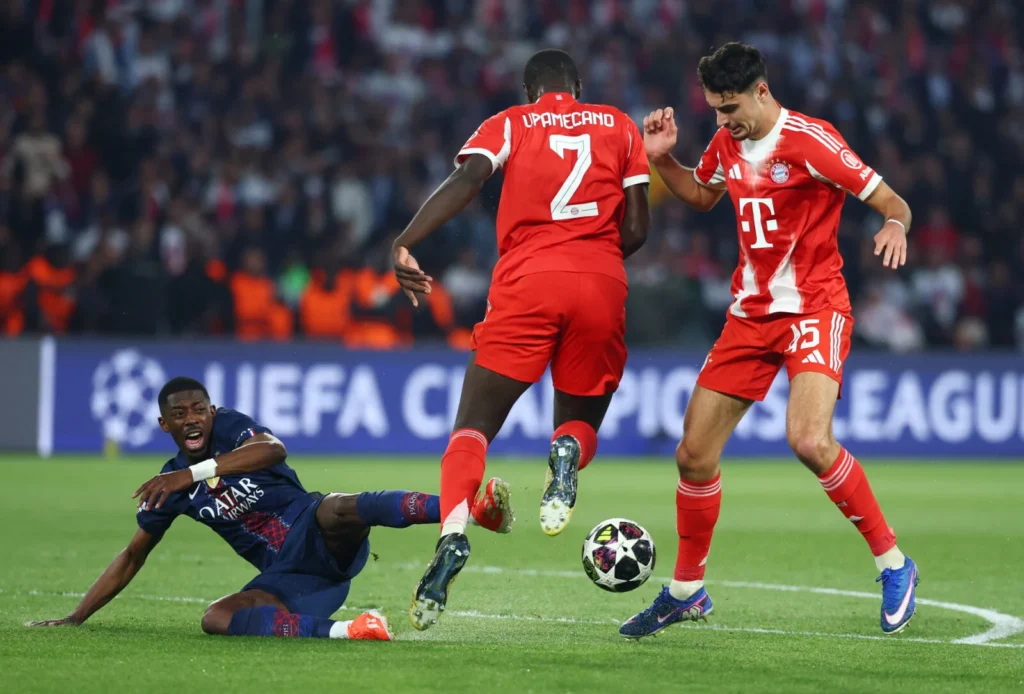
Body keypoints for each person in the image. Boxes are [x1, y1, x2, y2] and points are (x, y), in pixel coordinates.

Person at [620, 43, 918, 639]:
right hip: (750, 317)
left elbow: (893, 201)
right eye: (714, 108)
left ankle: (894, 564)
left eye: (730, 107)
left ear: (762, 91)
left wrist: (893, 224)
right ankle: (686, 591)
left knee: (808, 440)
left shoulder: (812, 140)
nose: (723, 120)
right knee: (693, 455)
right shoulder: (726, 141)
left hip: (814, 308)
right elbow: (702, 194)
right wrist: (662, 160)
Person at [392, 48, 650, 630]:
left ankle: (453, 534)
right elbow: (637, 227)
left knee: (471, 428)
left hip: (527, 280)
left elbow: (468, 178)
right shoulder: (619, 124)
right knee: (578, 421)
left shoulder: (512, 121)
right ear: (577, 85)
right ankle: (565, 453)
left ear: (529, 89)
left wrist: (406, 240)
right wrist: (593, 259)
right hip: (601, 280)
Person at [27, 377, 512, 640]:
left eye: (198, 410)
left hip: (316, 529)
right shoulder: (168, 486)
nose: (192, 420)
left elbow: (274, 449)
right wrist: (77, 616)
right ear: (164, 425)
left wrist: (191, 474)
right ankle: (352, 630)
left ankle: (469, 510)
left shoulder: (227, 431)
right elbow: (133, 555)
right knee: (216, 618)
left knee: (339, 507)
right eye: (179, 415)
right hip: (291, 577)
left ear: (211, 412)